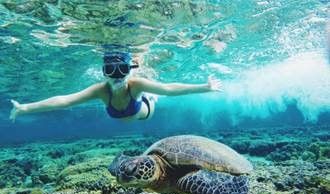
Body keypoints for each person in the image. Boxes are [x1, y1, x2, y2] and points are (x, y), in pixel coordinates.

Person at [9, 52, 222, 122]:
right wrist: (25, 108)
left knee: (157, 93)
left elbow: (169, 88)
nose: (117, 75)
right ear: (104, 72)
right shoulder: (101, 89)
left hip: (144, 109)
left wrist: (205, 87)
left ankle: (151, 96)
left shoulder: (135, 83)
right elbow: (65, 100)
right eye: (111, 70)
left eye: (122, 69)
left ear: (129, 70)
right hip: (126, 111)